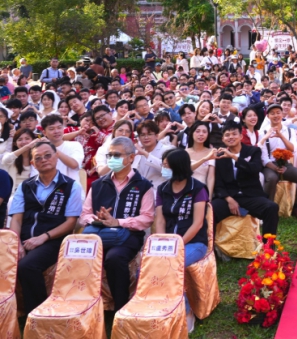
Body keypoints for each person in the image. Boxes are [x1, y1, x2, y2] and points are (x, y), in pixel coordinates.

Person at [79, 136, 154, 312]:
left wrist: (118, 222)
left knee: (114, 258)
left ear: (131, 158)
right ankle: (83, 307)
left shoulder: (143, 186)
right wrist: (95, 220)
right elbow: (84, 214)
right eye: (110, 155)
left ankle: (120, 309)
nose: (112, 159)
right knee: (78, 253)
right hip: (99, 234)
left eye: (117, 155)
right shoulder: (98, 184)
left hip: (129, 236)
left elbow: (147, 217)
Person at [9, 142, 83, 314]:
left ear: (57, 157)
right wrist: (16, 243)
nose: (44, 160)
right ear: (33, 164)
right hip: (26, 239)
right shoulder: (25, 186)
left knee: (27, 266)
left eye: (48, 155)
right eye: (38, 158)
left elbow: (70, 222)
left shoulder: (71, 186)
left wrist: (43, 237)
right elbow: (17, 219)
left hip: (54, 240)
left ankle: (37, 313)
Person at [154, 149, 209, 332]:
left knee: (173, 266)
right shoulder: (162, 189)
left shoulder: (197, 188)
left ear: (178, 167)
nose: (163, 168)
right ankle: (158, 307)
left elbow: (198, 222)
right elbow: (160, 220)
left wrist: (178, 244)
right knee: (144, 269)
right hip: (168, 243)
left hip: (194, 242)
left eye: (166, 165)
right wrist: (163, 242)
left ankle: (186, 312)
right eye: (163, 164)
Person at [211, 118, 279, 235]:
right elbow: (218, 183)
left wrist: (234, 157)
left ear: (241, 136)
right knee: (210, 210)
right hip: (230, 196)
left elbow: (255, 169)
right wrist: (229, 199)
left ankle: (268, 247)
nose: (230, 137)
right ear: (223, 139)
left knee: (271, 207)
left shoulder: (253, 151)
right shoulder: (219, 156)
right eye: (227, 135)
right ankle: (210, 249)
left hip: (251, 195)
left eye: (234, 134)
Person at [259, 104, 297, 217]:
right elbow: (263, 158)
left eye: (278, 112)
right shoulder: (263, 132)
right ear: (268, 116)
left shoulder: (289, 131)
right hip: (270, 165)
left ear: (282, 114)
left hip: (285, 164)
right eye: (272, 113)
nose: (276, 115)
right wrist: (275, 168)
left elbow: (293, 148)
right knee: (272, 178)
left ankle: (296, 207)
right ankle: (268, 209)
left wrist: (281, 136)